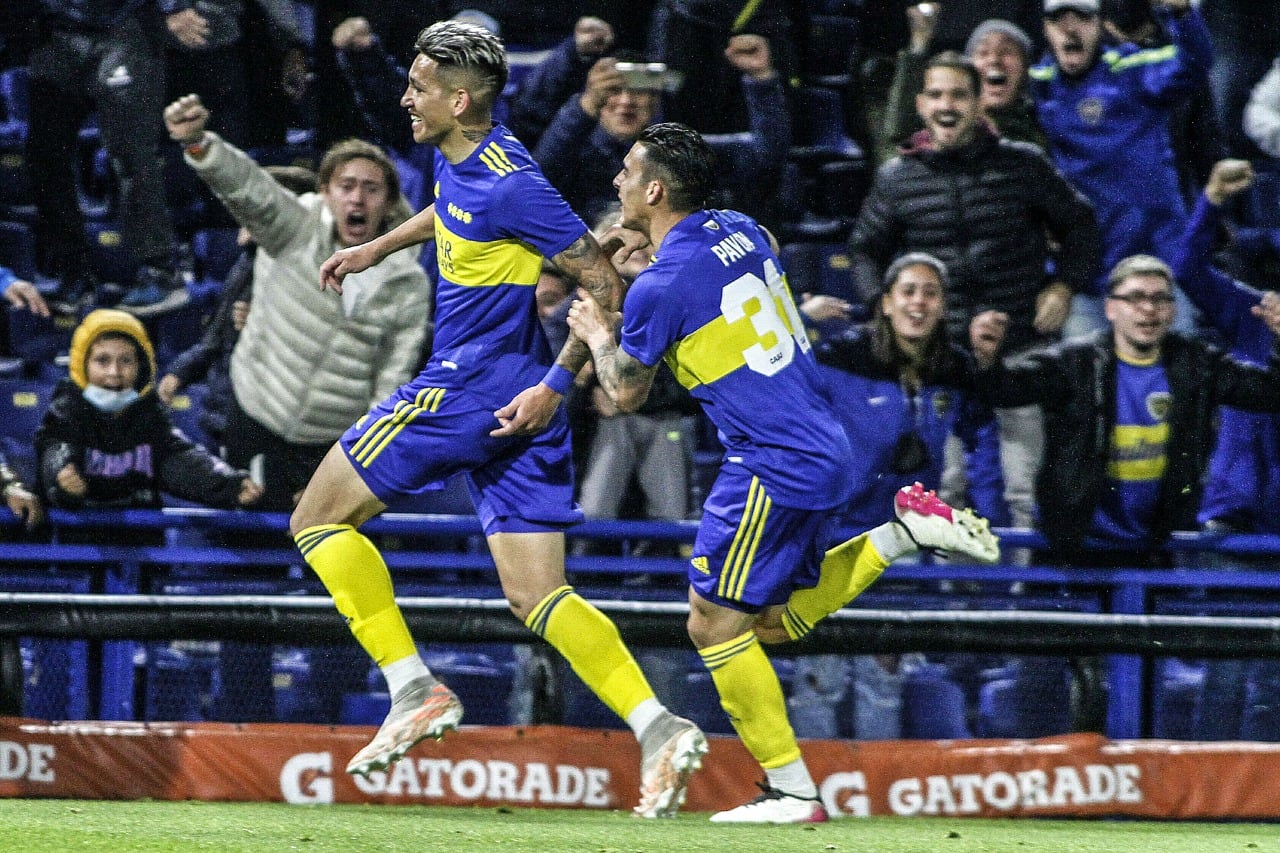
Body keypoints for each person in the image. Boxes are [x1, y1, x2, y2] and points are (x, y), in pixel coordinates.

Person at [271, 21, 706, 819]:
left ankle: (412, 688)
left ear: (458, 98)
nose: (406, 96)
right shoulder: (461, 151)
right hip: (512, 396)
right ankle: (659, 728)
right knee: (538, 595)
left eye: (419, 86)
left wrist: (555, 383)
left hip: (472, 384)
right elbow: (450, 209)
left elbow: (602, 284)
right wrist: (379, 249)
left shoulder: (515, 183)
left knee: (314, 518)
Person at [566, 122, 999, 823]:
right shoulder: (736, 227)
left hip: (768, 458)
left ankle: (792, 791)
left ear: (653, 189)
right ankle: (900, 532)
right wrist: (651, 245)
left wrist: (594, 330)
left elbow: (623, 394)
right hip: (823, 445)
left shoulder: (659, 288)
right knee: (766, 623)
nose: (616, 183)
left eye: (625, 172)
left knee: (710, 624)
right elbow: (764, 244)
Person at [849, 49, 1099, 534]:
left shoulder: (1023, 165)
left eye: (959, 95)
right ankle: (947, 602)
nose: (947, 105)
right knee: (943, 489)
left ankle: (1028, 606)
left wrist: (1065, 286)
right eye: (937, 94)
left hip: (1020, 349)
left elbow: (1082, 227)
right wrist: (885, 310)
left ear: (980, 101)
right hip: (941, 358)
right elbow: (864, 252)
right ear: (920, 104)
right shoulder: (897, 177)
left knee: (1024, 488)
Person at [164, 94, 432, 512]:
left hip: (334, 442)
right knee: (250, 547)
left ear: (390, 203)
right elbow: (249, 190)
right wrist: (201, 146)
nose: (357, 199)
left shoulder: (409, 282)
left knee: (319, 557)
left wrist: (363, 460)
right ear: (325, 193)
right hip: (256, 415)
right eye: (346, 186)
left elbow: (392, 375)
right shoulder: (296, 227)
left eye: (371, 189)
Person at [790, 252, 1006, 741]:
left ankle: (873, 799)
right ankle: (803, 794)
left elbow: (982, 438)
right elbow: (771, 375)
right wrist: (801, 320)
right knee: (821, 674)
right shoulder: (839, 355)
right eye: (908, 291)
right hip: (829, 536)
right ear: (885, 303)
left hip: (897, 545)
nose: (919, 302)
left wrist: (987, 517)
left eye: (931, 293)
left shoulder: (954, 370)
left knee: (883, 674)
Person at [969, 253, 1280, 563]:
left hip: (1156, 544)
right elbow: (1004, 391)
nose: (1148, 309)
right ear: (1110, 308)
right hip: (1076, 545)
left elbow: (1269, 393)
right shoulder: (1074, 362)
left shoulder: (1197, 362)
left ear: (1172, 311)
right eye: (1135, 298)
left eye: (1160, 299)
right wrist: (987, 360)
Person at [1168, 159, 1280, 741]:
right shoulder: (1253, 314)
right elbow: (1185, 269)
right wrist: (1209, 202)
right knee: (1229, 672)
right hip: (1234, 529)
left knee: (1273, 682)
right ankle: (1211, 807)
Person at [1028, 0, 1212, 337]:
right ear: (1046, 31)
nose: (1070, 29)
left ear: (1099, 25)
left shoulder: (1132, 70)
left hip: (1160, 268)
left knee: (1177, 381)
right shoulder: (1039, 86)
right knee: (1088, 385)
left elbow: (1194, 63)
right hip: (1091, 278)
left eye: (1081, 18)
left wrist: (1183, 14)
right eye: (1058, 20)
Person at [27, 0, 193, 315]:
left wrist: (172, 6)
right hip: (54, 31)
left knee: (131, 154)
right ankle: (73, 274)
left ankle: (161, 271)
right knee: (43, 156)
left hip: (125, 26)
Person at [535, 33, 790, 230]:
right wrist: (587, 105)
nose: (626, 101)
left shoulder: (679, 154)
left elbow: (765, 156)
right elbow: (538, 179)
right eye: (613, 90)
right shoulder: (572, 154)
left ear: (656, 99)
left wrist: (761, 79)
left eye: (638, 90)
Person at [155, 165, 318, 455]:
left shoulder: (313, 268)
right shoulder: (245, 262)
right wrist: (179, 373)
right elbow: (216, 338)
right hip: (225, 415)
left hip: (275, 425)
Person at [34, 309, 262, 510]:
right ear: (82, 364)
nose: (114, 372)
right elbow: (55, 449)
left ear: (141, 366)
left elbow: (179, 460)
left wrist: (229, 485)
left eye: (126, 361)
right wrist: (61, 478)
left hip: (140, 546)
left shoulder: (151, 415)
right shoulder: (66, 411)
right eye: (102, 361)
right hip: (78, 548)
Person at [883, 11, 1046, 153]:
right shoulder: (951, 122)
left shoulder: (1044, 123)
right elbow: (899, 129)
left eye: (1006, 52)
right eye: (983, 52)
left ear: (1025, 68)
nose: (994, 59)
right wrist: (917, 50)